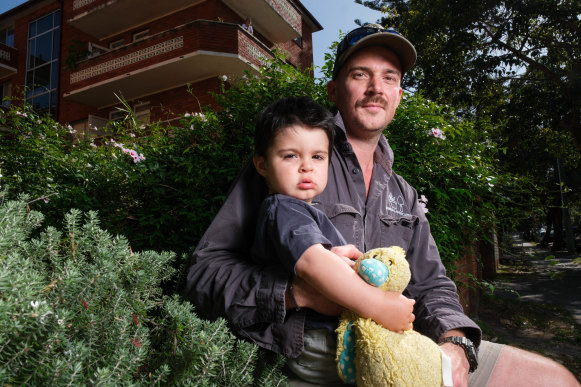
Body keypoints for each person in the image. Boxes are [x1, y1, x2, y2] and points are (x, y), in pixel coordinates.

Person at [185, 24, 580, 386]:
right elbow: (203, 274)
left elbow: (433, 284)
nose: (376, 87)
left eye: (389, 77)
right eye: (360, 75)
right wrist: (297, 293)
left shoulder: (404, 193)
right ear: (334, 89)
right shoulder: (290, 163)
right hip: (317, 363)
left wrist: (457, 346)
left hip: (400, 349)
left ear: (398, 96)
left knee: (555, 380)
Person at [250, 95, 414, 338]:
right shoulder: (282, 208)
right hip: (310, 339)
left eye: (317, 157)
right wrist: (379, 306)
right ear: (262, 165)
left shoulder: (303, 210)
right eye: (290, 155)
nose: (307, 166)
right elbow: (313, 263)